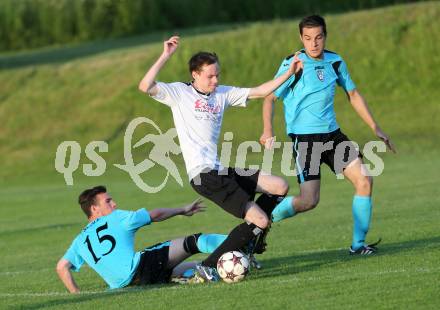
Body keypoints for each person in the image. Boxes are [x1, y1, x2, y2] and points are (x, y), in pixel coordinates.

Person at [138, 36, 302, 280]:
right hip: (204, 175)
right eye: (210, 76)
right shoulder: (179, 93)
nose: (216, 80)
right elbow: (145, 86)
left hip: (219, 169)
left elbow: (260, 91)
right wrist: (166, 55)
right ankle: (208, 265)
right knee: (259, 219)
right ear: (195, 74)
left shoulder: (222, 94)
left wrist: (289, 72)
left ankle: (251, 241)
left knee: (279, 186)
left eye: (218, 75)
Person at [260, 15, 396, 255]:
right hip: (306, 140)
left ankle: (358, 245)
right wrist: (268, 129)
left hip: (333, 136)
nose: (314, 43)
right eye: (308, 38)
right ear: (301, 38)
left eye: (319, 37)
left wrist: (375, 127)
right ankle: (263, 218)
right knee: (309, 201)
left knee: (364, 180)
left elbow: (353, 94)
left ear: (325, 36)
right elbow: (269, 97)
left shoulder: (335, 61)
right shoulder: (294, 64)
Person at [56, 185, 227, 293]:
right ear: (94, 208)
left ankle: (223, 266)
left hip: (129, 286)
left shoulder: (79, 241)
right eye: (108, 201)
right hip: (142, 268)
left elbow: (61, 267)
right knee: (194, 241)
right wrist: (182, 210)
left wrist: (76, 294)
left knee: (196, 265)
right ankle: (242, 243)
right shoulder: (115, 218)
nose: (114, 204)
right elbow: (155, 214)